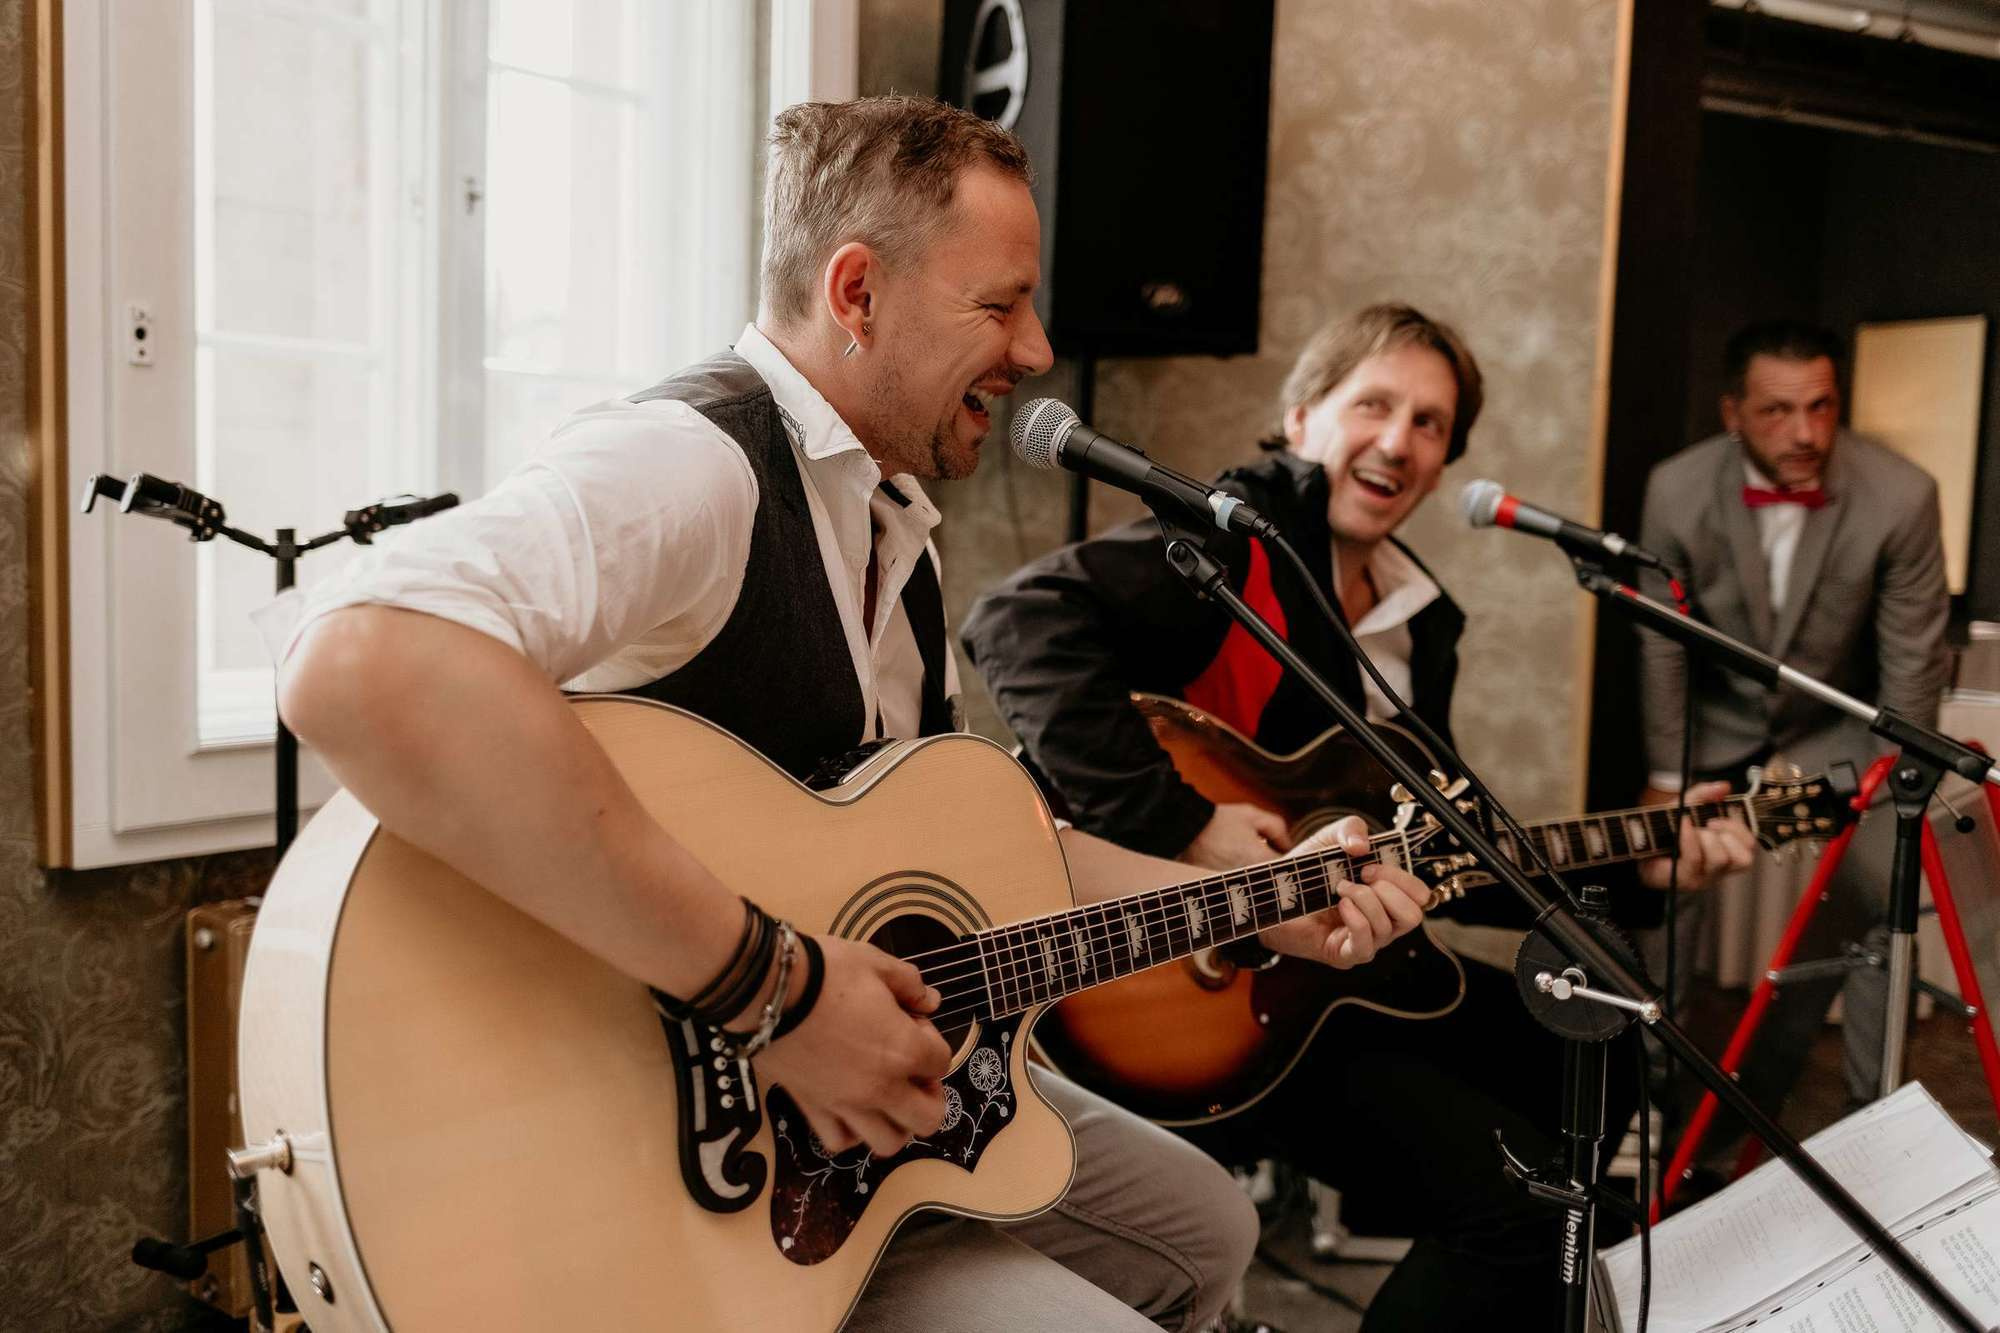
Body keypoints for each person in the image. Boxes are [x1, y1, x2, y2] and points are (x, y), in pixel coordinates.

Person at [275, 96, 1436, 1332]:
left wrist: (1262, 902)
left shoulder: (891, 530)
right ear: (856, 292)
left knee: (1204, 1225)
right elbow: (361, 660)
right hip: (671, 1159)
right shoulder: (694, 463)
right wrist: (769, 991)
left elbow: (974, 857)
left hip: (833, 1134)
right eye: (999, 305)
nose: (1037, 350)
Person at [960, 302, 1755, 1329]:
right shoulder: (1229, 542)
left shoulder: (1420, 623)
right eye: (1373, 404)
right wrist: (1187, 826)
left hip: (1336, 976)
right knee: (1512, 1213)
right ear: (1300, 420)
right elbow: (1016, 624)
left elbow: (1445, 855)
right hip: (1196, 990)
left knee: (1587, 1040)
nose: (1398, 440)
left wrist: (1642, 866)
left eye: (1430, 423)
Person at [1637, 319, 1949, 1159]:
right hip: (1714, 727)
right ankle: (1657, 1093)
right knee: (1662, 881)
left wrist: (1893, 793)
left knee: (1883, 879)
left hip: (1832, 728)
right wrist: (1668, 775)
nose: (1805, 432)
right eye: (1778, 411)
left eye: (1821, 407)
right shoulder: (1674, 490)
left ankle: (1873, 1114)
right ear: (1732, 412)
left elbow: (1913, 664)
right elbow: (1662, 644)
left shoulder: (1903, 494)